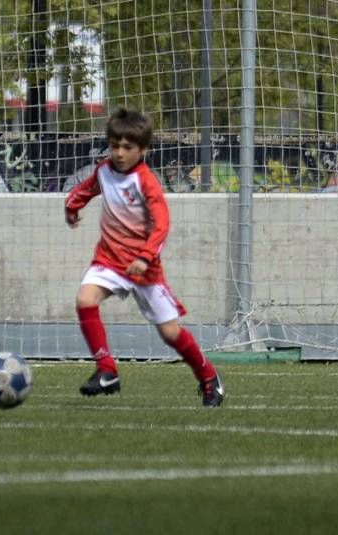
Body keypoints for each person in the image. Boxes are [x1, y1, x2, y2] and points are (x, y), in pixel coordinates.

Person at [64, 107, 223, 407]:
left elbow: (161, 223)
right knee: (85, 299)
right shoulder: (104, 170)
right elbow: (86, 190)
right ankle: (107, 370)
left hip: (143, 268)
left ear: (143, 150)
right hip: (110, 260)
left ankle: (209, 376)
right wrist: (71, 207)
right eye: (114, 146)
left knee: (170, 332)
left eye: (128, 147)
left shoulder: (146, 181)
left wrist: (146, 257)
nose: (120, 153)